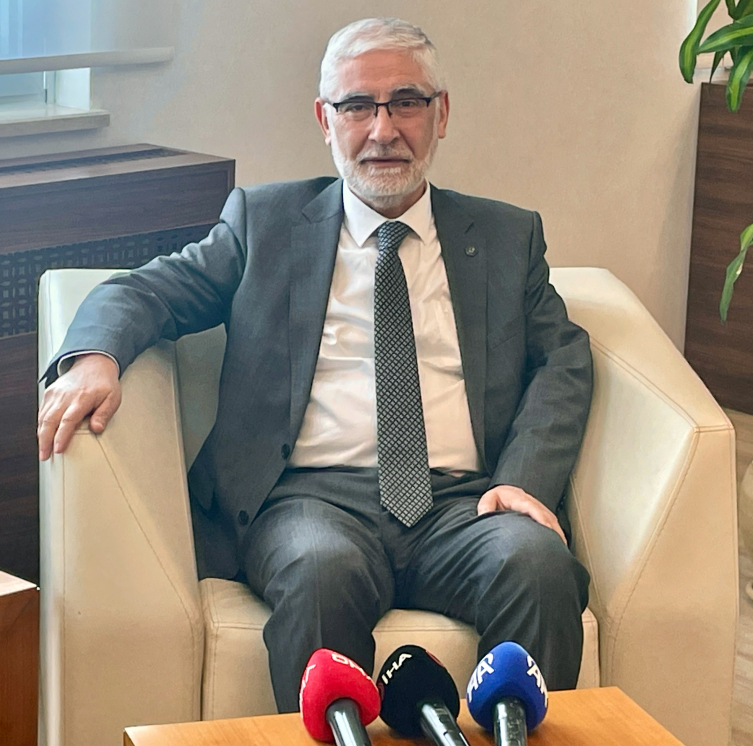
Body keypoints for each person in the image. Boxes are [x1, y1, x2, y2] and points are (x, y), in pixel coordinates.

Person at [37, 17, 592, 713]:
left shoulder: (507, 235)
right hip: (310, 502)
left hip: (464, 504)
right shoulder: (265, 223)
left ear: (441, 114)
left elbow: (563, 356)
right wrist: (95, 357)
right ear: (325, 120)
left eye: (406, 102)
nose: (382, 130)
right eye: (357, 106)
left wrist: (522, 479)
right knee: (320, 571)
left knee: (537, 565)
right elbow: (148, 289)